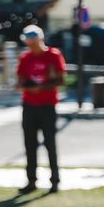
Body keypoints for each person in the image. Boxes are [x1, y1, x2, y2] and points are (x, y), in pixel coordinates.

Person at [16, 24, 64, 194]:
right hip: (29, 105)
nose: (31, 46)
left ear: (40, 40)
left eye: (33, 42)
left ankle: (55, 180)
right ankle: (31, 180)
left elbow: (60, 80)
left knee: (50, 143)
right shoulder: (25, 58)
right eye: (29, 43)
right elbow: (20, 81)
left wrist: (41, 88)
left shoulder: (53, 56)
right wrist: (25, 87)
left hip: (47, 105)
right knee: (30, 144)